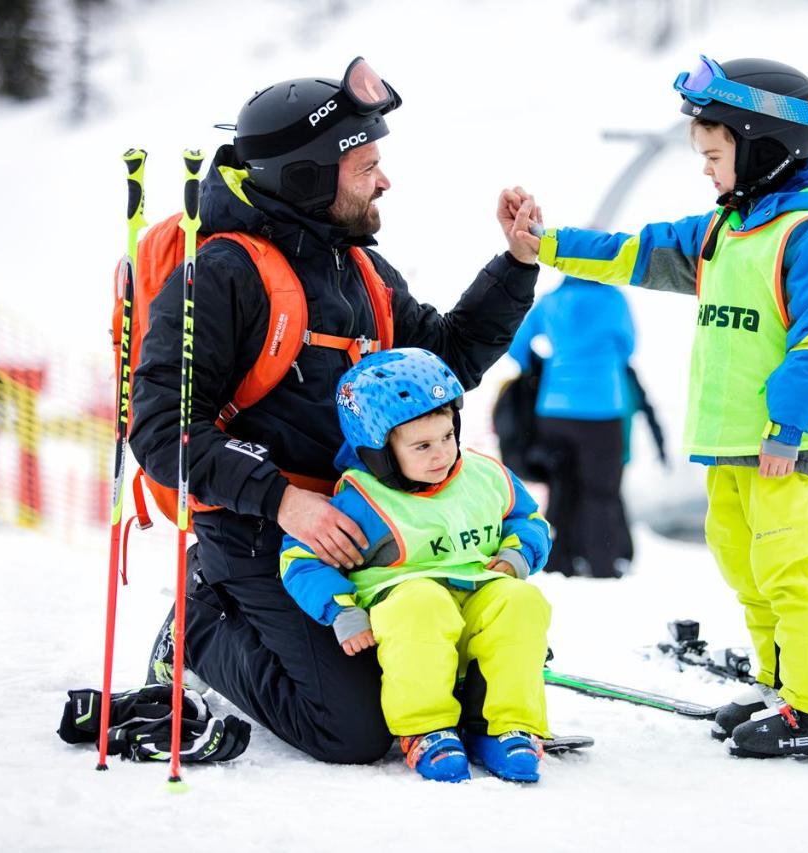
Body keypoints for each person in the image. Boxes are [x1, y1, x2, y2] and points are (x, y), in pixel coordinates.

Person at [129, 58, 542, 765]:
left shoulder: (361, 270)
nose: (384, 180)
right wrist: (285, 502)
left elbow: (447, 360)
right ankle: (201, 621)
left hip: (373, 525)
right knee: (352, 730)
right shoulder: (222, 273)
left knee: (468, 686)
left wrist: (514, 263)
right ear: (307, 176)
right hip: (263, 532)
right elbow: (162, 428)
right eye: (367, 166)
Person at [512, 56, 808, 762]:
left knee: (792, 568)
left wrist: (788, 425)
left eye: (714, 155)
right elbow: (632, 253)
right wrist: (544, 243)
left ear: (763, 146)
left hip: (783, 441)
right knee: (747, 566)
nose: (706, 170)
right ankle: (784, 688)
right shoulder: (726, 230)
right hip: (734, 441)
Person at [279, 347, 552, 783]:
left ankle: (506, 726)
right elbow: (300, 558)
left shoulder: (483, 475)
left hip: (478, 595)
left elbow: (527, 519)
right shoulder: (362, 502)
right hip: (409, 610)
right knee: (423, 602)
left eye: (447, 436)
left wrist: (517, 556)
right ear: (379, 450)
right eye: (422, 445)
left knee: (520, 601)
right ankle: (427, 728)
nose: (441, 454)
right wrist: (341, 610)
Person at [507, 276, 636, 578]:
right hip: (603, 407)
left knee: (562, 486)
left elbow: (517, 345)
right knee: (602, 490)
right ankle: (603, 563)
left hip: (555, 408)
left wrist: (543, 366)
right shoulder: (613, 299)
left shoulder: (552, 300)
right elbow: (628, 347)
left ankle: (559, 561)